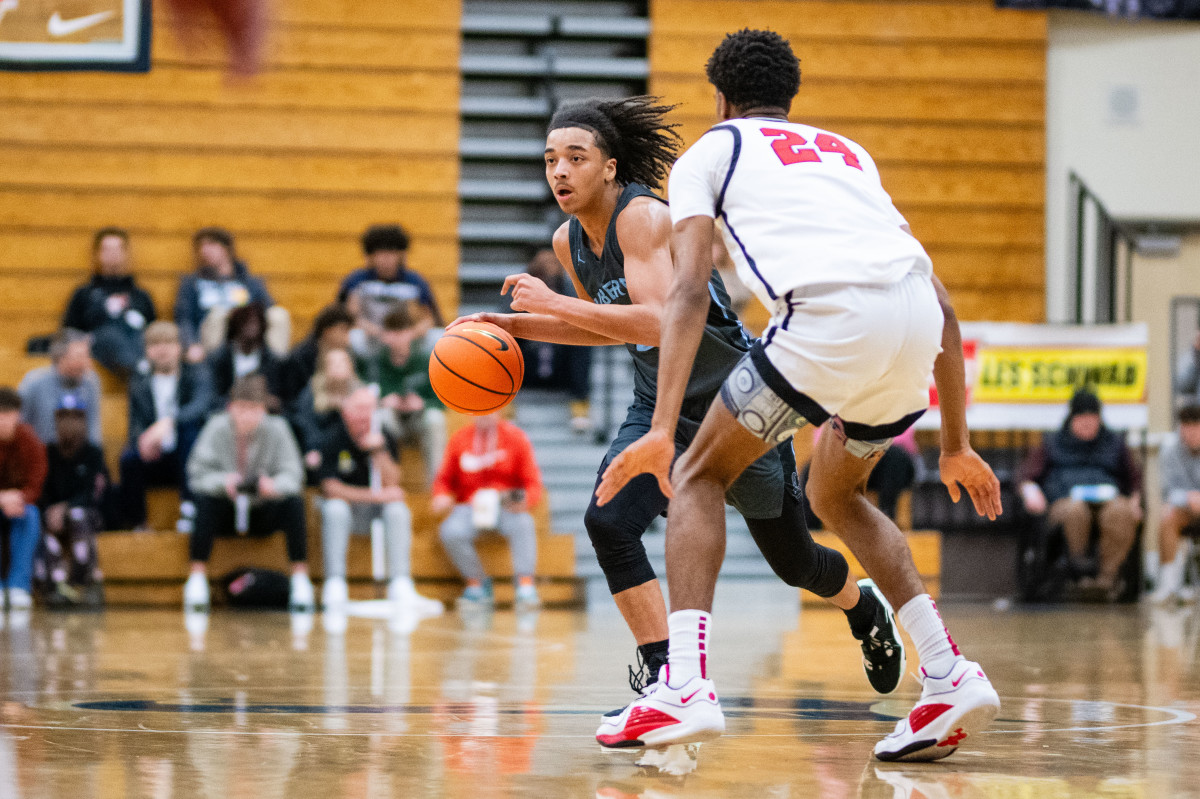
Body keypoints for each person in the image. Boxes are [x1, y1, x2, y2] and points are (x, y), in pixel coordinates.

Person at [595, 30, 1002, 761]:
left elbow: (687, 291)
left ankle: (684, 684)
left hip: (828, 321)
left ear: (720, 96)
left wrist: (662, 426)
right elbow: (937, 296)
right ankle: (946, 672)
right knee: (837, 495)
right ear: (791, 96)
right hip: (913, 323)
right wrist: (956, 443)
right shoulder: (848, 153)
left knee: (696, 472)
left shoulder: (710, 153)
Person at [453, 94, 905, 735]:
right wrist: (514, 324)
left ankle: (863, 608)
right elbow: (616, 331)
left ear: (609, 167)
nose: (560, 172)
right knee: (608, 523)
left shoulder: (643, 217)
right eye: (551, 159)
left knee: (795, 562)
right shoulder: (568, 238)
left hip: (735, 400)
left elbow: (664, 321)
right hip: (657, 402)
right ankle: (666, 679)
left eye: (576, 158)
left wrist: (551, 303)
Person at [184, 375, 312, 612]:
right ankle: (197, 577)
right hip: (227, 509)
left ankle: (300, 577)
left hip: (262, 509)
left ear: (263, 410)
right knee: (204, 502)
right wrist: (224, 482)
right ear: (230, 408)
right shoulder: (216, 427)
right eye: (241, 408)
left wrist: (271, 486)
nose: (246, 416)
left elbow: (294, 476)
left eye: (253, 409)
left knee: (294, 503)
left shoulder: (279, 429)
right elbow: (196, 473)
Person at [318, 386, 442, 613]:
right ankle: (335, 584)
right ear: (346, 411)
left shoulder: (384, 435)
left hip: (376, 512)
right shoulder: (333, 437)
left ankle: (400, 583)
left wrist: (379, 452)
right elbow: (330, 487)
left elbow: (393, 482)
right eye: (360, 408)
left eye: (370, 409)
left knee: (398, 510)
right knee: (335, 509)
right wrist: (374, 496)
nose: (365, 415)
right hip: (348, 511)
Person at [1018, 388, 1142, 600]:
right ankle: (1078, 576)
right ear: (1072, 418)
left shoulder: (1115, 444)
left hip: (1109, 501)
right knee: (1076, 511)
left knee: (1121, 512)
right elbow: (1026, 476)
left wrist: (1135, 502)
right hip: (1065, 501)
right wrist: (1030, 491)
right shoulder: (1052, 443)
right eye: (1082, 418)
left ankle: (1105, 580)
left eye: (1092, 418)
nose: (1087, 423)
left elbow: (1134, 480)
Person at [432, 411, 543, 607]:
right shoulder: (459, 439)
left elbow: (533, 484)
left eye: (489, 410)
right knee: (449, 531)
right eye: (480, 411)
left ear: (499, 410)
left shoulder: (516, 438)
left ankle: (525, 584)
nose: (484, 416)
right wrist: (441, 496)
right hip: (469, 505)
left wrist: (524, 498)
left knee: (524, 523)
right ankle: (476, 583)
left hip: (504, 505)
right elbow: (443, 480)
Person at [119, 322, 213, 531]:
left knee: (190, 432)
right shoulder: (139, 381)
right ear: (147, 350)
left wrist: (169, 422)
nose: (162, 350)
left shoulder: (195, 374)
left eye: (168, 343)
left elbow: (200, 405)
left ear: (179, 347)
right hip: (156, 454)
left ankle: (189, 508)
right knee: (128, 459)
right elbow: (135, 423)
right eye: (155, 344)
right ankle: (138, 523)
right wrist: (142, 441)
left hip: (188, 453)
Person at [356, 304, 446, 484]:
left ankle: (437, 486)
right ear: (384, 335)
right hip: (392, 422)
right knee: (381, 418)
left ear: (410, 333)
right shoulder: (375, 363)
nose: (397, 338)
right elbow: (362, 397)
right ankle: (386, 483)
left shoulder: (425, 360)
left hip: (418, 419)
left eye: (401, 332)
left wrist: (423, 403)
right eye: (392, 332)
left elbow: (442, 400)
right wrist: (383, 401)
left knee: (435, 419)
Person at [174, 226, 289, 363]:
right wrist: (190, 344)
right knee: (219, 313)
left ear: (226, 248)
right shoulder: (192, 283)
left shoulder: (249, 282)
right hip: (211, 339)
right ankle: (213, 367)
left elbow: (266, 307)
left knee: (279, 314)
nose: (204, 251)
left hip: (246, 335)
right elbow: (184, 318)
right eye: (201, 246)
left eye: (211, 244)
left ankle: (277, 365)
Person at [510, 249, 594, 433]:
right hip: (527, 371)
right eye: (542, 278)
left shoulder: (568, 292)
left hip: (560, 372)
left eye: (551, 280)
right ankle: (506, 408)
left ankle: (579, 408)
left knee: (583, 342)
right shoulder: (519, 291)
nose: (547, 284)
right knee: (502, 342)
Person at [60, 227, 157, 377]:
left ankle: (138, 367)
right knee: (109, 334)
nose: (113, 254)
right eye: (107, 249)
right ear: (97, 254)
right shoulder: (84, 294)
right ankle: (139, 369)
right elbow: (69, 330)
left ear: (126, 253)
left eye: (117, 249)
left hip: (136, 344)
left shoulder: (141, 296)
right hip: (98, 347)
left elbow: (153, 330)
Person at [37, 403, 108, 607]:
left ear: (84, 422)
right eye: (64, 417)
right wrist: (50, 510)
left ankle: (87, 583)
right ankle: (55, 585)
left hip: (86, 514)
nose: (70, 423)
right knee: (41, 529)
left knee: (79, 516)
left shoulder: (93, 453)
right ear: (56, 422)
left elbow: (93, 493)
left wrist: (66, 508)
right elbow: (42, 489)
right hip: (51, 515)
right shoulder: (47, 452)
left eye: (76, 417)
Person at [338, 224, 444, 349]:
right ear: (370, 256)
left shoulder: (415, 282)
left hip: (407, 340)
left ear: (400, 255)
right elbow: (348, 316)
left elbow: (429, 319)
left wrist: (408, 335)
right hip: (370, 339)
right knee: (353, 337)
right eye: (380, 253)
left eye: (391, 252)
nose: (386, 258)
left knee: (437, 336)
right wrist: (377, 332)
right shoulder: (357, 280)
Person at [0, 387, 48, 611]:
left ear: (17, 414)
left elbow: (36, 481)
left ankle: (19, 586)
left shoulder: (29, 440)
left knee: (31, 516)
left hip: (20, 506)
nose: (3, 420)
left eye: (8, 414)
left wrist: (18, 498)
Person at [18, 329, 102, 446]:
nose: (86, 363)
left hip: (78, 458)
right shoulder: (34, 383)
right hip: (42, 455)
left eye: (87, 356)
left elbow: (93, 430)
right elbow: (19, 425)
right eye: (79, 356)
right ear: (61, 358)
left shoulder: (90, 382)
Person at [1152, 404, 1200, 602]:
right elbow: (1168, 493)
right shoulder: (1170, 450)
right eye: (1186, 428)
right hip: (1185, 510)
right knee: (1168, 517)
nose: (1190, 434)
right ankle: (1169, 585)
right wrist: (1190, 497)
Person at [289, 347, 363, 475]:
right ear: (324, 367)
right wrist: (312, 448)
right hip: (321, 449)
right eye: (333, 363)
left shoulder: (360, 393)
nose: (338, 367)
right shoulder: (311, 393)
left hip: (352, 451)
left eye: (342, 362)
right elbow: (305, 425)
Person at [206, 302, 285, 412]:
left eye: (255, 322)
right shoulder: (219, 359)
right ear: (236, 325)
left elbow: (280, 399)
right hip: (226, 413)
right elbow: (211, 397)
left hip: (263, 415)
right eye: (246, 322)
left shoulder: (273, 361)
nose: (251, 327)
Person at [279, 304, 355, 407]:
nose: (347, 338)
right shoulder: (302, 357)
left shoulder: (345, 353)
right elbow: (294, 397)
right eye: (343, 330)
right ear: (327, 330)